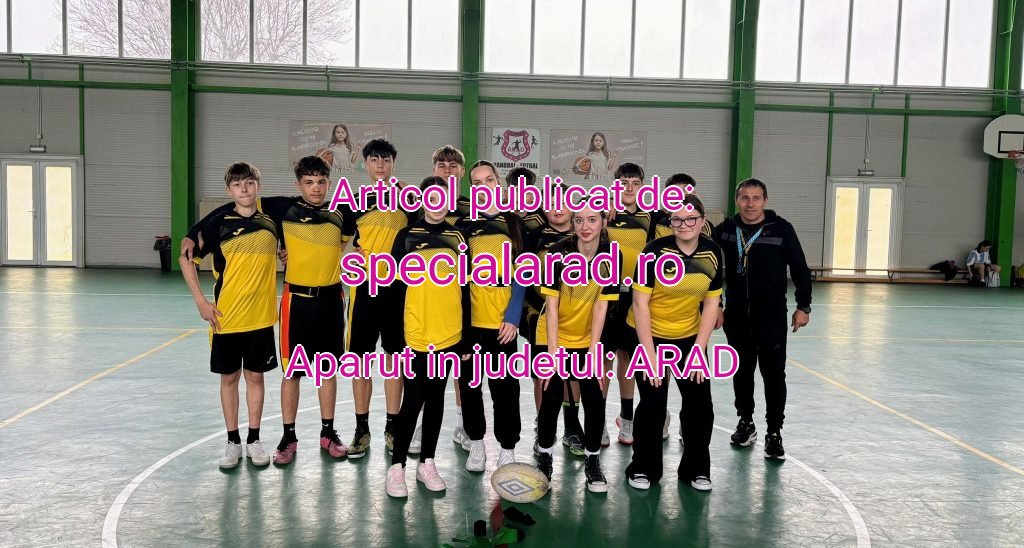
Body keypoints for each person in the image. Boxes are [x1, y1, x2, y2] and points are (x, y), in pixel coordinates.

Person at [182, 156, 358, 464]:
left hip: (331, 300)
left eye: (321, 182)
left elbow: (345, 241)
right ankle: (287, 436)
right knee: (292, 371)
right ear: (298, 185)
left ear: (329, 183)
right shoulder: (280, 209)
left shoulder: (341, 211)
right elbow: (234, 207)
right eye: (308, 182)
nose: (315, 188)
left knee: (327, 370)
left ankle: (328, 433)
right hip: (294, 301)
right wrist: (195, 230)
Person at [179, 162, 279, 468]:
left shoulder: (272, 221)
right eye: (237, 185)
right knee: (230, 379)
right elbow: (185, 258)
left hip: (261, 318)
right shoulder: (218, 224)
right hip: (226, 318)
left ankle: (254, 440)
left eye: (249, 183)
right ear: (229, 190)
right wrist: (200, 301)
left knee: (256, 378)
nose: (244, 189)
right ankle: (233, 442)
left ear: (258, 186)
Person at [624, 194, 724, 491]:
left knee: (700, 405)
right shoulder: (653, 252)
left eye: (691, 218)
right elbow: (640, 303)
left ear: (702, 222)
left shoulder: (712, 253)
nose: (684, 224)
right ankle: (643, 468)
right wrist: (649, 354)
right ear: (670, 223)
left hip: (689, 336)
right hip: (650, 334)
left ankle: (696, 469)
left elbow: (711, 303)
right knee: (653, 404)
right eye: (677, 220)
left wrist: (698, 351)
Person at [385, 176, 472, 498]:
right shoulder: (406, 236)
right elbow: (394, 288)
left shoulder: (458, 237)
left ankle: (427, 463)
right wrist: (397, 335)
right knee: (413, 400)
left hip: (449, 332)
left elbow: (465, 288)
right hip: (417, 333)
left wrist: (465, 336)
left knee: (436, 399)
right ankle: (397, 467)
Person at [715, 178, 812, 460]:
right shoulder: (726, 230)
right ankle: (745, 421)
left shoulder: (781, 229)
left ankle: (774, 431)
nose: (750, 204)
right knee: (742, 371)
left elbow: (800, 268)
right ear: (737, 200)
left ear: (765, 201)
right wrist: (716, 304)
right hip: (736, 315)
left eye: (756, 198)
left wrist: (803, 306)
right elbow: (709, 266)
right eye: (745, 198)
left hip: (771, 315)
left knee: (773, 375)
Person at [534, 205, 620, 492]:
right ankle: (545, 458)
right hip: (554, 334)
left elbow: (601, 306)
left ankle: (593, 461)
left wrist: (594, 351)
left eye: (592, 220)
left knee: (594, 398)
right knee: (551, 395)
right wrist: (553, 354)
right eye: (579, 220)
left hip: (587, 337)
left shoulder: (612, 256)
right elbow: (552, 307)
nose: (585, 226)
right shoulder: (557, 253)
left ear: (603, 222)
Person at [455, 160, 527, 471]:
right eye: (477, 183)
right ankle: (476, 442)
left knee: (505, 389)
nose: (484, 187)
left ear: (498, 182)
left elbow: (524, 273)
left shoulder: (514, 222)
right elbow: (458, 280)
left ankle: (507, 447)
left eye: (489, 180)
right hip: (472, 322)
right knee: (470, 386)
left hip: (503, 324)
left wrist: (513, 316)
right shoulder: (464, 227)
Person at [347, 139, 410, 457]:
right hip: (364, 289)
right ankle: (361, 429)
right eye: (374, 159)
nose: (380, 164)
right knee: (360, 360)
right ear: (366, 164)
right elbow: (336, 239)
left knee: (394, 360)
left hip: (398, 289)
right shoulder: (355, 200)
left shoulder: (409, 200)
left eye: (386, 159)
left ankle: (392, 426)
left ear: (393, 162)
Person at [602, 163, 663, 446]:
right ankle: (597, 421)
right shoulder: (603, 211)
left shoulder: (650, 216)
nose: (628, 188)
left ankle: (627, 418)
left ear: (642, 186)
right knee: (603, 359)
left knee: (628, 358)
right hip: (606, 296)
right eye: (623, 182)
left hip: (636, 297)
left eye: (635, 183)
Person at [523, 188, 585, 455]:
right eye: (551, 204)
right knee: (543, 373)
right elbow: (524, 278)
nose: (557, 209)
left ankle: (572, 427)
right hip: (541, 316)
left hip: (579, 319)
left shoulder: (584, 235)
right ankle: (543, 425)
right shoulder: (534, 237)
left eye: (563, 203)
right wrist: (545, 309)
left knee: (574, 373)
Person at [651, 173, 714, 240]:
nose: (682, 195)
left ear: (694, 194)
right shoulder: (655, 218)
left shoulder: (705, 226)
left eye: (686, 190)